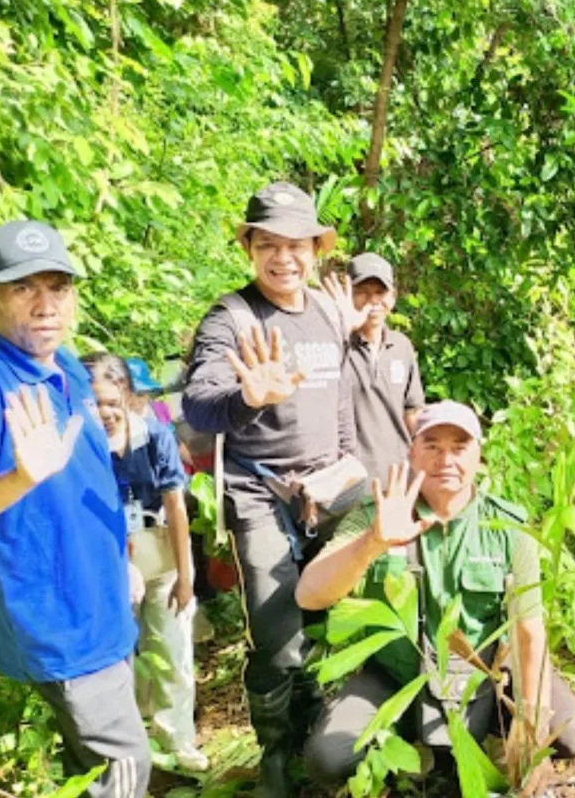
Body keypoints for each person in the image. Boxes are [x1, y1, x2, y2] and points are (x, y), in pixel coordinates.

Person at [0, 220, 150, 797]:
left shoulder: (68, 372)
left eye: (58, 286)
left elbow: (85, 485)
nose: (46, 305)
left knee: (90, 778)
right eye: (23, 288)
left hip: (104, 607)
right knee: (127, 773)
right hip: (63, 627)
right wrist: (17, 478)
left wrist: (121, 563)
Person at [296, 401, 575, 788]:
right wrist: (372, 543)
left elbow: (529, 631)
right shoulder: (378, 514)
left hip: (488, 676)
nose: (445, 459)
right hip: (396, 677)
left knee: (570, 734)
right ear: (412, 452)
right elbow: (310, 595)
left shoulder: (507, 526)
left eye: (459, 447)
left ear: (478, 455)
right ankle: (407, 749)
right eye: (432, 446)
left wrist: (530, 720)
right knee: (329, 758)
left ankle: (491, 739)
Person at [181, 181, 364, 797]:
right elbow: (201, 405)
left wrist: (346, 461)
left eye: (296, 245)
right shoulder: (230, 319)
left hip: (327, 492)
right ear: (249, 247)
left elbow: (339, 401)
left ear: (316, 250)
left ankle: (317, 730)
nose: (283, 258)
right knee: (279, 635)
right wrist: (247, 397)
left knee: (329, 622)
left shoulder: (324, 313)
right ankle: (276, 758)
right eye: (268, 245)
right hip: (259, 498)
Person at [82, 352, 209, 773]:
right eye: (94, 402)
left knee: (174, 648)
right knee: (122, 657)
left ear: (129, 397)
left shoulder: (155, 436)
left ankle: (179, 741)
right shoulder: (78, 446)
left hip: (159, 551)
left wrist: (186, 579)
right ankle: (132, 749)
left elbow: (176, 505)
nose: (105, 413)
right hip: (106, 560)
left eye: (112, 402)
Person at [343, 252, 426, 480]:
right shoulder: (335, 345)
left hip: (399, 476)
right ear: (347, 295)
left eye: (380, 292)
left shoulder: (402, 346)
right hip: (351, 481)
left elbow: (413, 411)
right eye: (362, 292)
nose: (373, 301)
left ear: (393, 297)